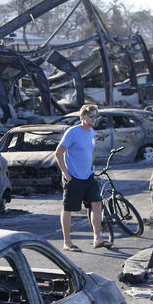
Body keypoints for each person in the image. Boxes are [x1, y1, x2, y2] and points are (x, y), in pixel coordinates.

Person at [55, 104, 112, 252]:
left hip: (88, 176)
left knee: (97, 204)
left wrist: (91, 167)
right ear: (82, 117)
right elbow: (58, 152)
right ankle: (67, 242)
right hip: (73, 178)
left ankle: (97, 238)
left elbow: (88, 152)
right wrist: (67, 174)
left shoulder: (91, 131)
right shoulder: (72, 132)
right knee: (68, 209)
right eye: (91, 116)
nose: (94, 119)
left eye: (95, 116)